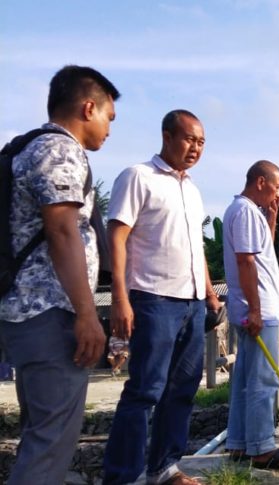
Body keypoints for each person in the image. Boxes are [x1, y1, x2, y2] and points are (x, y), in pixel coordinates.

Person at [0, 65, 119, 485]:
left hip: (26, 311)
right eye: (108, 117)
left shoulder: (27, 147)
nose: (109, 129)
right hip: (49, 312)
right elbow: (63, 231)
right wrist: (87, 314)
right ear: (88, 108)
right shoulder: (59, 150)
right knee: (51, 444)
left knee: (40, 435)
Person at [102, 110, 222, 485]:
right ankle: (123, 476)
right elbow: (116, 236)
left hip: (192, 302)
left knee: (182, 390)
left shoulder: (192, 190)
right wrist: (120, 297)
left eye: (201, 142)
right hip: (153, 299)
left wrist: (210, 294)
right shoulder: (138, 176)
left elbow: (196, 246)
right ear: (167, 136)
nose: (195, 148)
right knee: (145, 391)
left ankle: (164, 468)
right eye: (189, 139)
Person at [223, 160, 279, 469]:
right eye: (277, 186)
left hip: (252, 308)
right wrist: (256, 310)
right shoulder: (245, 211)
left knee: (246, 379)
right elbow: (245, 262)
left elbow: (263, 252)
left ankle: (239, 444)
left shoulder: (246, 211)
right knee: (263, 380)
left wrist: (271, 219)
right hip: (258, 311)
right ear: (261, 182)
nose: (278, 193)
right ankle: (261, 448)